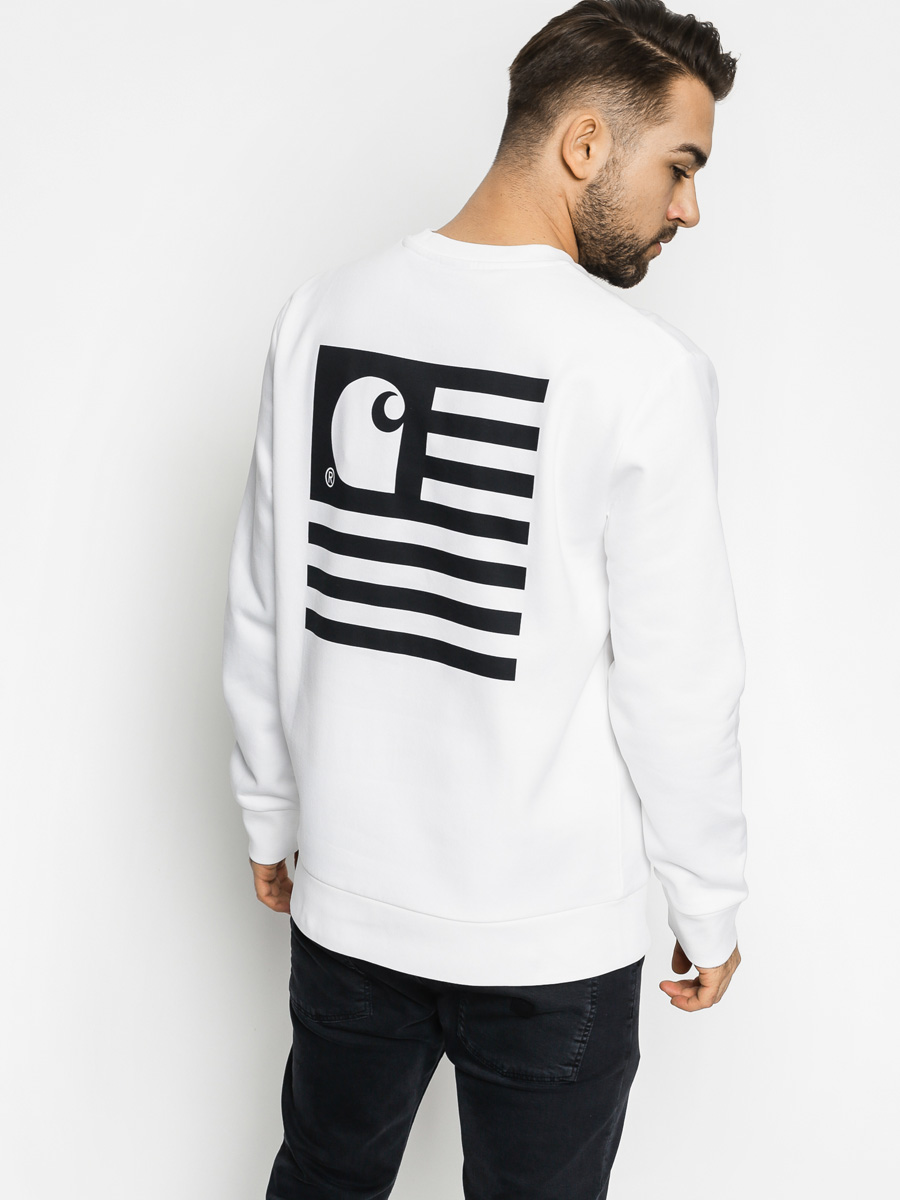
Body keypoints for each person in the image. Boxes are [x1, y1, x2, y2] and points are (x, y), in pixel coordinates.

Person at [221, 1, 748, 1195]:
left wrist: (270, 810)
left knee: (323, 1178)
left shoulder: (321, 316)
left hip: (348, 900)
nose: (687, 209)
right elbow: (679, 680)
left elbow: (265, 594)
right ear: (583, 144)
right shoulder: (644, 374)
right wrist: (707, 898)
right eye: (679, 165)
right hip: (549, 942)